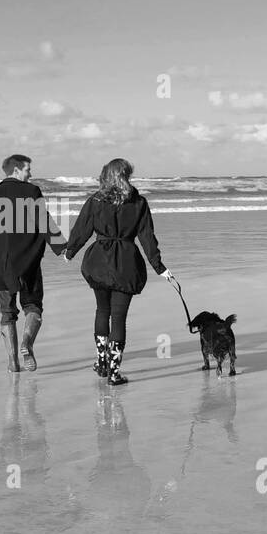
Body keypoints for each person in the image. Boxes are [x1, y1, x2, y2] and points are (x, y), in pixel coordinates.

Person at [63, 158, 176, 385]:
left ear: (107, 175)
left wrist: (71, 251)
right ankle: (114, 373)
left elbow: (81, 229)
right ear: (126, 176)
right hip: (126, 264)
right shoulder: (139, 203)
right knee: (119, 319)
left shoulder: (95, 201)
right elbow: (147, 238)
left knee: (102, 311)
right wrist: (159, 267)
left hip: (98, 262)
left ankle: (101, 362)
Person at [0, 154, 66, 372]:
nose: (31, 174)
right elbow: (44, 221)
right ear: (16, 171)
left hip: (1, 265)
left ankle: (12, 362)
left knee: (7, 313)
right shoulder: (31, 192)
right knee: (33, 305)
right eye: (27, 169)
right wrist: (62, 247)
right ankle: (27, 342)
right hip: (29, 263)